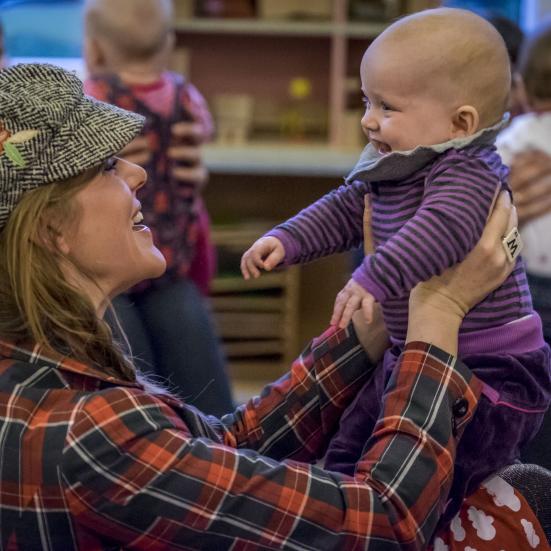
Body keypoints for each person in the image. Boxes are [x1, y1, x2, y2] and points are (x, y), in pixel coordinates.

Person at [0, 62, 546, 550]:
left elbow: (219, 452)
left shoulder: (43, 383)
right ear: (51, 229)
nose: (137, 173)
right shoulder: (87, 432)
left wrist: (370, 327)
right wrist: (438, 315)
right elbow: (382, 526)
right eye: (106, 166)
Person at [241, 7, 551, 524]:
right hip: (417, 352)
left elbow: (444, 230)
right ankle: (337, 520)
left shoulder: (468, 169)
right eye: (367, 101)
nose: (367, 119)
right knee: (350, 452)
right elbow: (344, 206)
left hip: (489, 370)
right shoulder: (399, 166)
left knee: (451, 482)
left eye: (387, 106)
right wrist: (286, 238)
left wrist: (373, 275)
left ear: (461, 123)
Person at [82, 0, 233, 416]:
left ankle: (159, 431)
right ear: (167, 44)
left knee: (139, 358)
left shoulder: (94, 97)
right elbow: (204, 128)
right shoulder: (183, 94)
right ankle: (215, 442)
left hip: (109, 254)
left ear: (94, 49)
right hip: (169, 253)